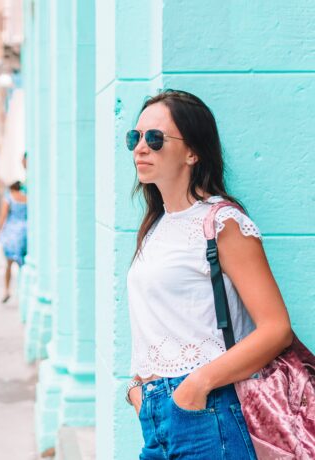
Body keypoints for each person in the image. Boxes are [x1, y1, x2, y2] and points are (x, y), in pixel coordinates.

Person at [125, 90, 292, 459]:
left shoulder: (222, 223)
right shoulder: (157, 226)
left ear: (192, 152)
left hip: (206, 412)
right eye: (134, 138)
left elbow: (276, 328)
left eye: (154, 139)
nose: (141, 148)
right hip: (155, 415)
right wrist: (136, 388)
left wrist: (195, 386)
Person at [0, 181, 27, 303]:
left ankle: (7, 290)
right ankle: (22, 291)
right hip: (24, 232)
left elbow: (3, 216)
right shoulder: (27, 198)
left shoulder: (9, 198)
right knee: (22, 265)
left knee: (8, 264)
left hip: (11, 233)